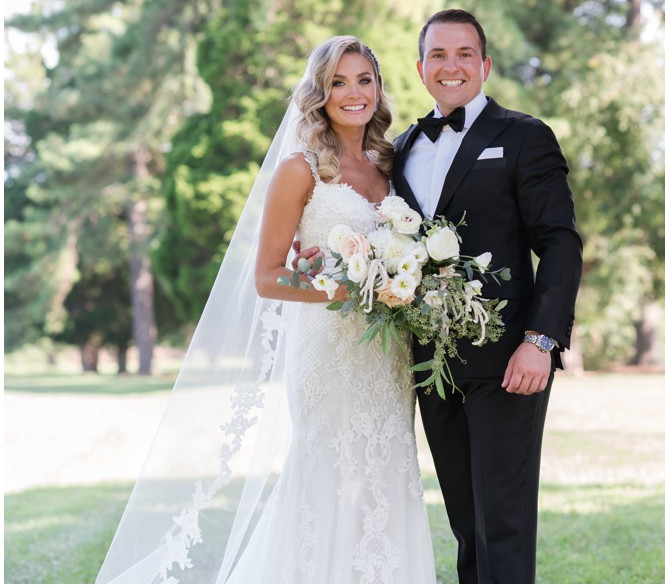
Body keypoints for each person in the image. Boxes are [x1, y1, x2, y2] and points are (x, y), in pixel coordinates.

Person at [97, 36, 435, 583]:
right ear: (318, 94)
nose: (354, 94)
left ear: (378, 86)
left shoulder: (395, 164)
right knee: (326, 477)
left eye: (364, 80)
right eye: (338, 83)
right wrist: (353, 285)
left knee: (385, 477)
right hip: (328, 352)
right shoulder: (300, 170)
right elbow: (267, 276)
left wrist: (400, 279)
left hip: (386, 353)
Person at [400, 9, 582, 583]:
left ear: (485, 65)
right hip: (431, 363)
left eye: (463, 54)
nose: (450, 66)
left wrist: (541, 340)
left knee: (502, 522)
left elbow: (560, 244)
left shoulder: (525, 136)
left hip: (509, 360)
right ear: (421, 66)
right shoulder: (402, 145)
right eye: (438, 55)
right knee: (464, 520)